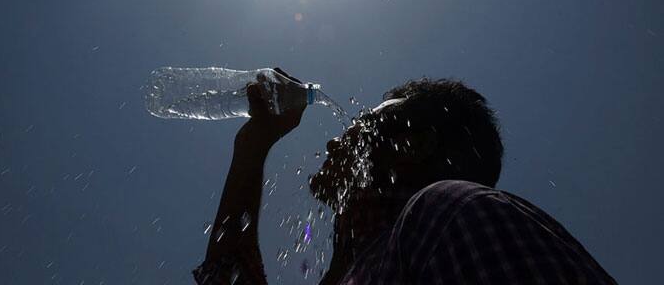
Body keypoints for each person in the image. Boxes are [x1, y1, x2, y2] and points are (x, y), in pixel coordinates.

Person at [193, 69, 617, 284]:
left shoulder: (450, 215)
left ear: (412, 145)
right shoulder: (359, 266)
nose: (336, 143)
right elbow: (228, 276)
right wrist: (254, 143)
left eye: (364, 124)